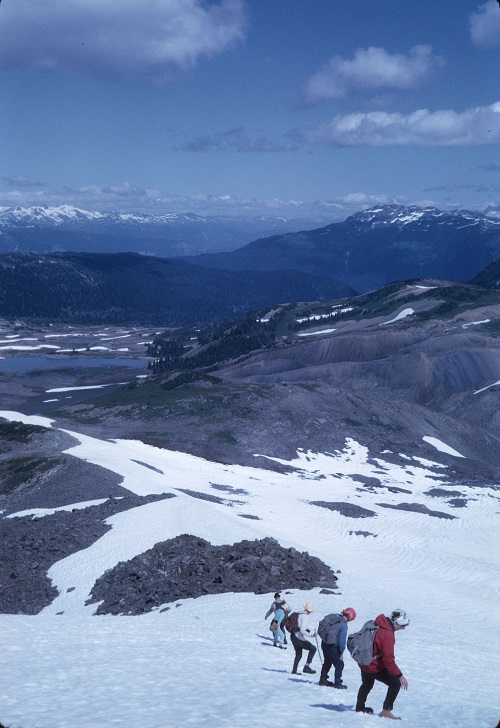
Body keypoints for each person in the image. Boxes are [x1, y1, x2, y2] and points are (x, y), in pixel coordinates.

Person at [355, 608, 410, 720]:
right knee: (395, 684)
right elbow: (388, 660)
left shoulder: (378, 622)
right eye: (403, 625)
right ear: (396, 623)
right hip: (372, 666)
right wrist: (400, 676)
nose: (403, 628)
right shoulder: (387, 635)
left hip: (363, 661)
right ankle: (386, 712)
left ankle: (359, 708)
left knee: (366, 685)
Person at [319, 607, 356, 688]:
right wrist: (341, 652)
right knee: (339, 665)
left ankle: (323, 679)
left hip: (324, 642)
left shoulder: (334, 617)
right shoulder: (343, 624)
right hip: (333, 646)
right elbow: (342, 641)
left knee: (327, 661)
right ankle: (337, 683)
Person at [290, 602, 317, 675]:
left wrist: (306, 629)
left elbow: (300, 626)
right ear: (309, 610)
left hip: (293, 636)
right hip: (298, 638)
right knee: (313, 649)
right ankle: (306, 667)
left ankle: (294, 671)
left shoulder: (299, 613)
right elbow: (302, 630)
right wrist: (311, 635)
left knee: (298, 654)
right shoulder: (305, 616)